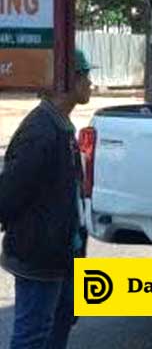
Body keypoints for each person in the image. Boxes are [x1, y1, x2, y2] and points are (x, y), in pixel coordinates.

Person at [0, 49, 93, 349]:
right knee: (33, 334)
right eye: (86, 76)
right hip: (40, 252)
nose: (91, 84)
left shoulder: (60, 125)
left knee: (61, 320)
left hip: (62, 252)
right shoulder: (41, 130)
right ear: (68, 79)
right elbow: (8, 195)